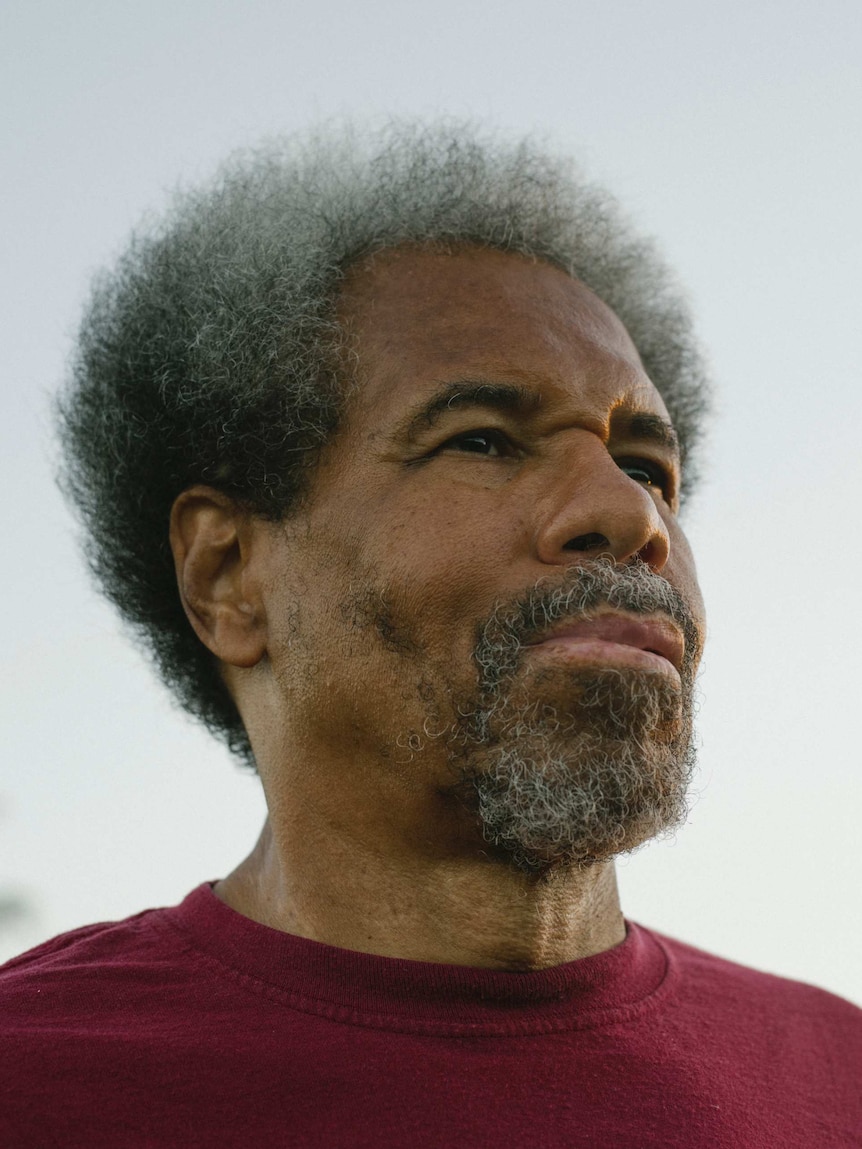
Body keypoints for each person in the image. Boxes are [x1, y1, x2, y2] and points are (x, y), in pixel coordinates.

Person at [1, 123, 859, 1148]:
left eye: (645, 465)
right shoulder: (37, 1077)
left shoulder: (835, 1074)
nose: (630, 519)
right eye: (483, 440)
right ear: (227, 576)